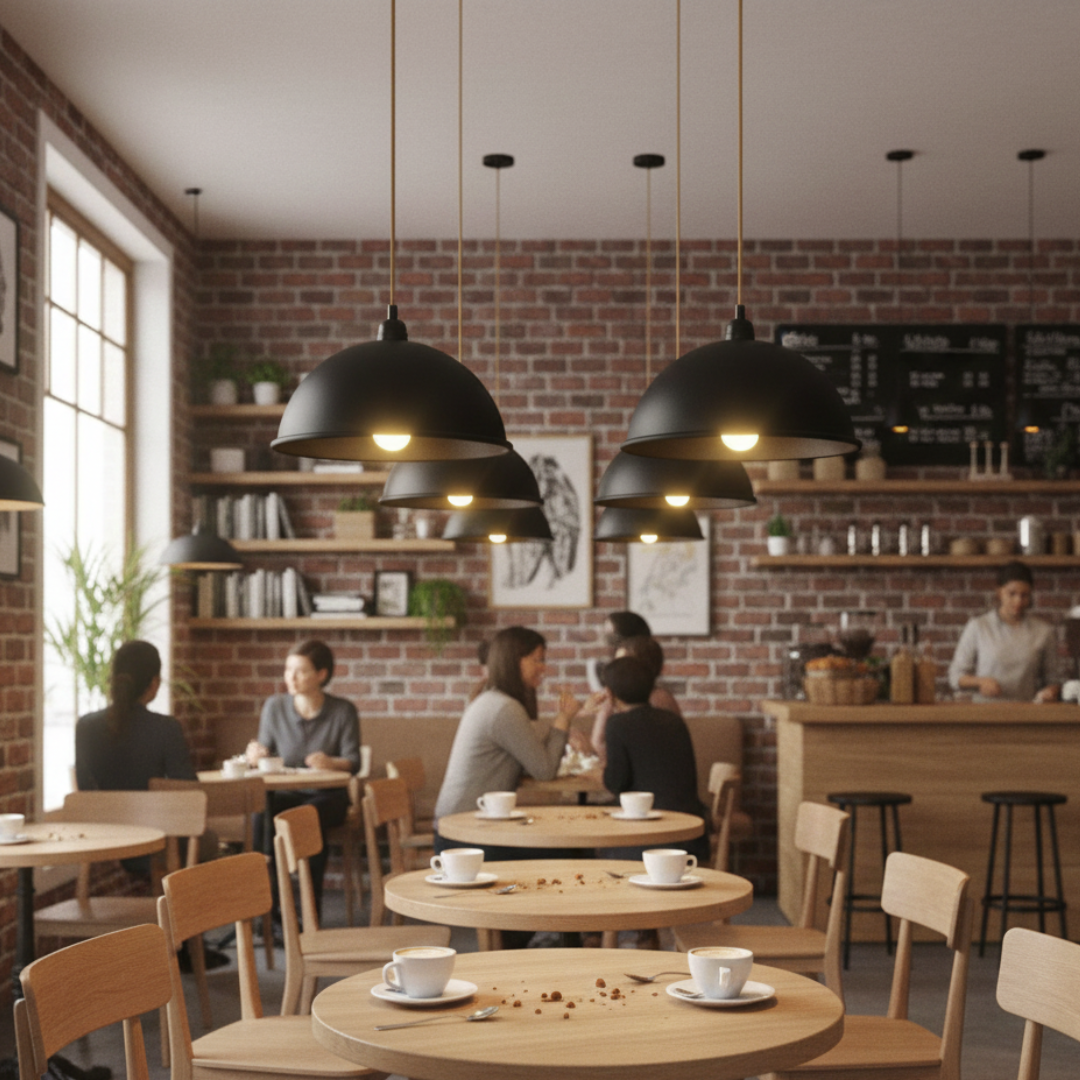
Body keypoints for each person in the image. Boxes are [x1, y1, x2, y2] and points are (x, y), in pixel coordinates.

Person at [433, 625, 585, 857]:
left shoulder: (493, 700)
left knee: (566, 847)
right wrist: (564, 718)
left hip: (467, 827)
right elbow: (544, 770)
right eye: (537, 660)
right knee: (571, 854)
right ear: (516, 661)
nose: (543, 668)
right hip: (465, 836)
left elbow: (530, 756)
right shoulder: (504, 708)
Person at [247, 639, 360, 914]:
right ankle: (270, 910)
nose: (291, 677)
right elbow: (264, 758)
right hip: (286, 794)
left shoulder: (343, 710)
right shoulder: (274, 707)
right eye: (288, 670)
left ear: (321, 675)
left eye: (300, 671)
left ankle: (311, 911)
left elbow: (353, 762)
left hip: (328, 797)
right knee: (261, 814)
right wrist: (255, 754)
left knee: (309, 816)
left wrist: (331, 762)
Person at [600, 655, 710, 864]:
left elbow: (616, 782)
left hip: (646, 838)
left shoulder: (618, 724)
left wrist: (602, 772)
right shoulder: (673, 721)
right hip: (690, 833)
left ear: (610, 694)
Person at [75, 640, 196, 793]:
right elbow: (189, 793)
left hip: (98, 817)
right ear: (154, 683)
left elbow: (85, 791)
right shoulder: (167, 729)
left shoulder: (86, 726)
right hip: (153, 817)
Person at [948, 561, 1061, 702]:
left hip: (1027, 714)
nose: (1018, 601)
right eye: (1012, 594)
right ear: (999, 592)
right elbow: (955, 676)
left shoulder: (1043, 632)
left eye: (1024, 595)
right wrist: (980, 682)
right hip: (984, 714)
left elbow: (1053, 680)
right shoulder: (979, 626)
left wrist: (1050, 691)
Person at [589, 625, 680, 766]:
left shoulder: (655, 699)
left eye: (623, 664)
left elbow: (617, 762)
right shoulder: (642, 699)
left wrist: (605, 711)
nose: (617, 670)